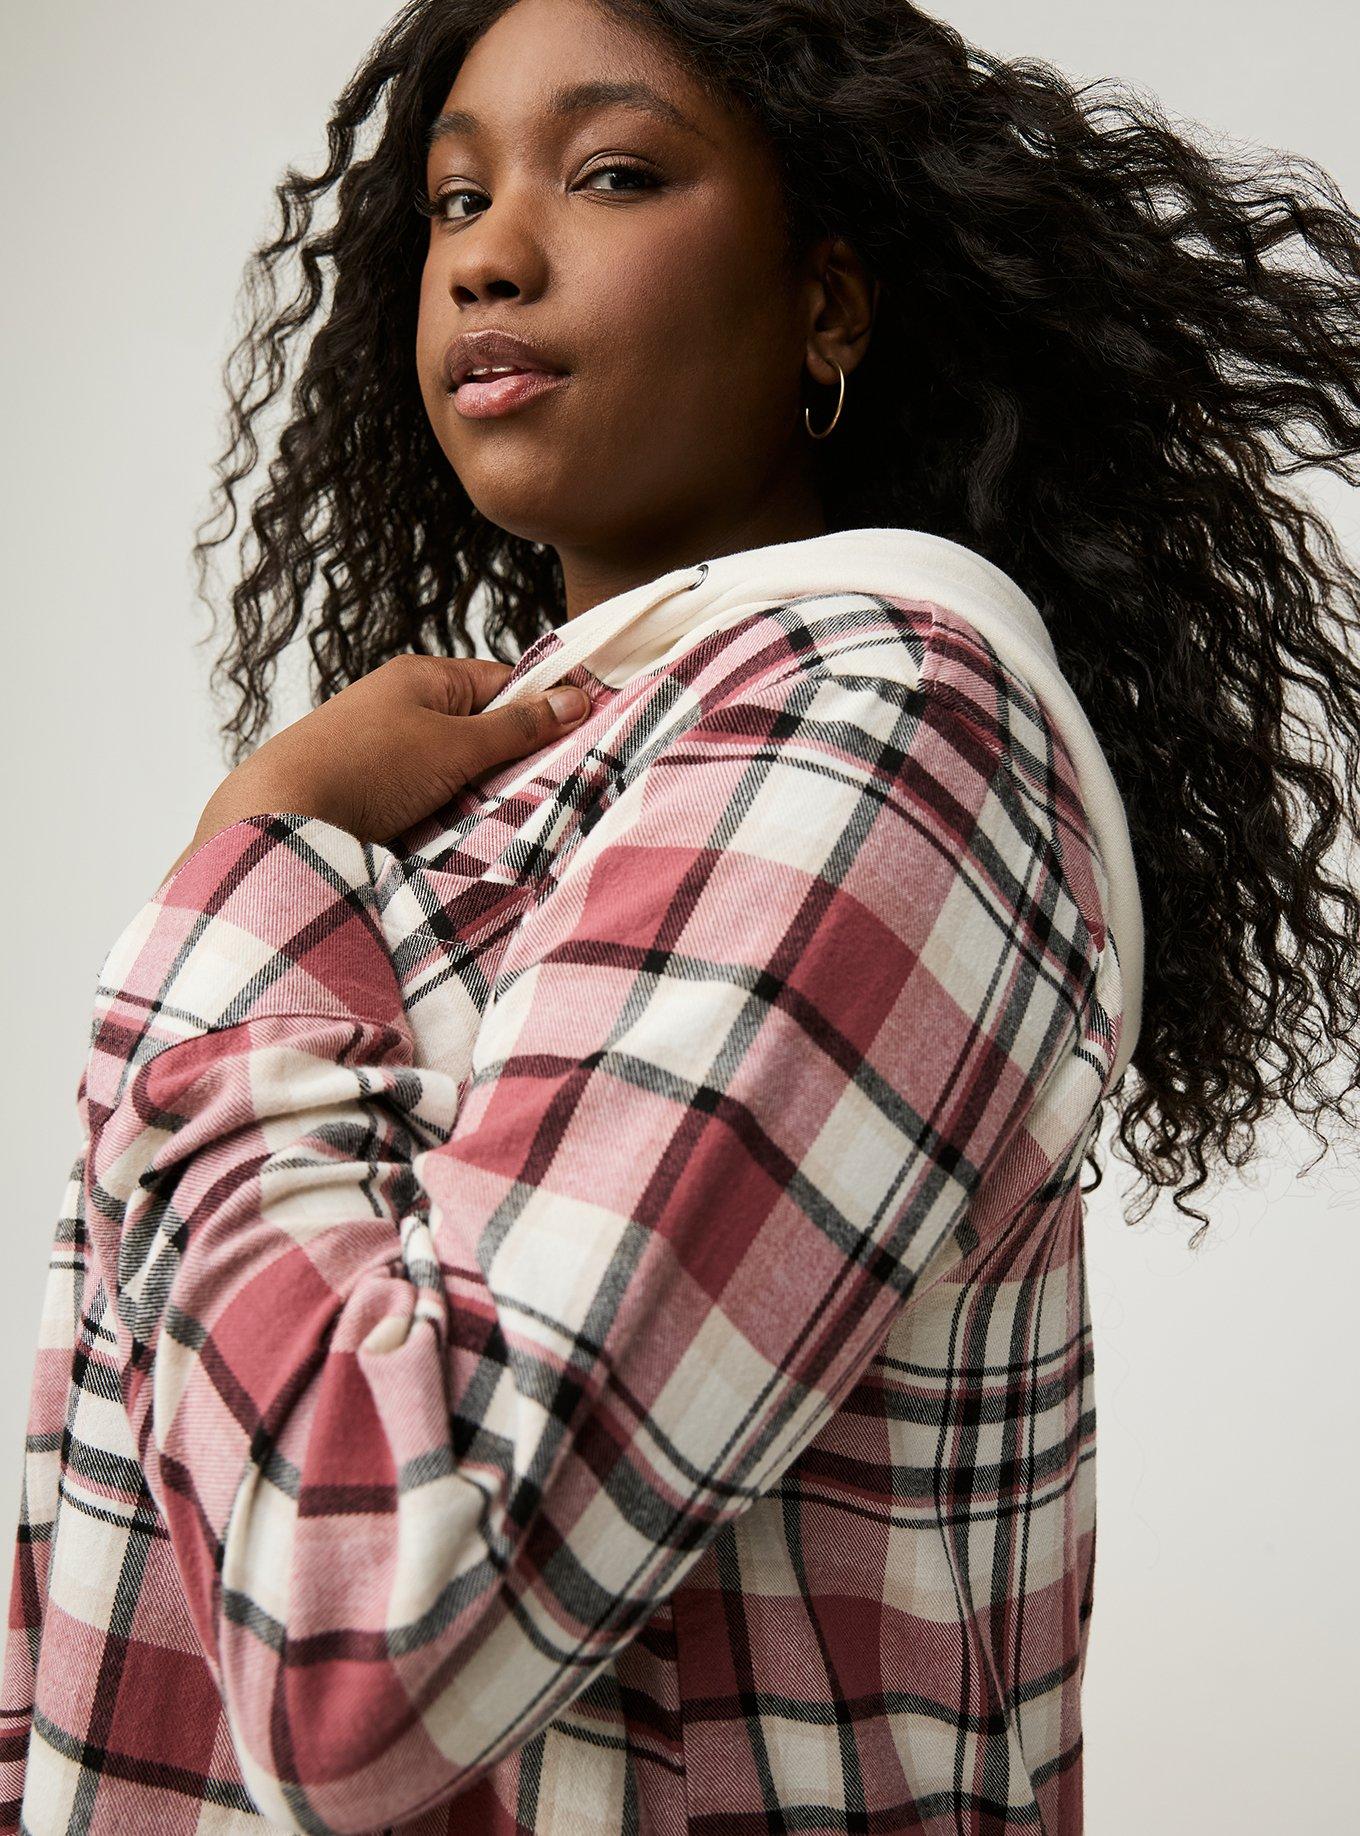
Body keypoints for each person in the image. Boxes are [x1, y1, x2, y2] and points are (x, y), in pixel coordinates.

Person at [3, 1, 1358, 1831]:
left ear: (827, 304)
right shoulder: (567, 766)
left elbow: (372, 1645)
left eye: (614, 173)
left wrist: (252, 856)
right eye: (454, 198)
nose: (485, 253)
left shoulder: (877, 727)